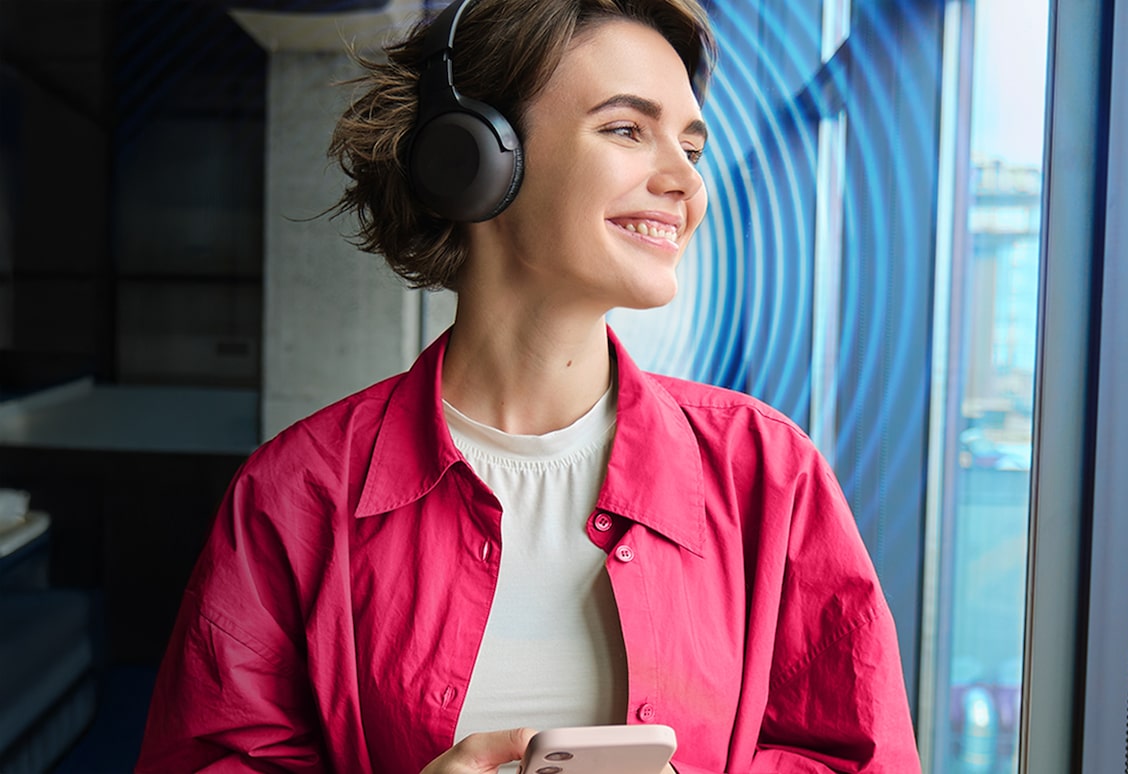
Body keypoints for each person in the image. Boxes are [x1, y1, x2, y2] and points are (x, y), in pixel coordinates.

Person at [136, 0, 922, 771]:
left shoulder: (769, 473)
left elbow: (860, 757)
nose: (685, 180)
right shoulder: (296, 493)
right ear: (474, 157)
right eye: (625, 129)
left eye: (692, 146)